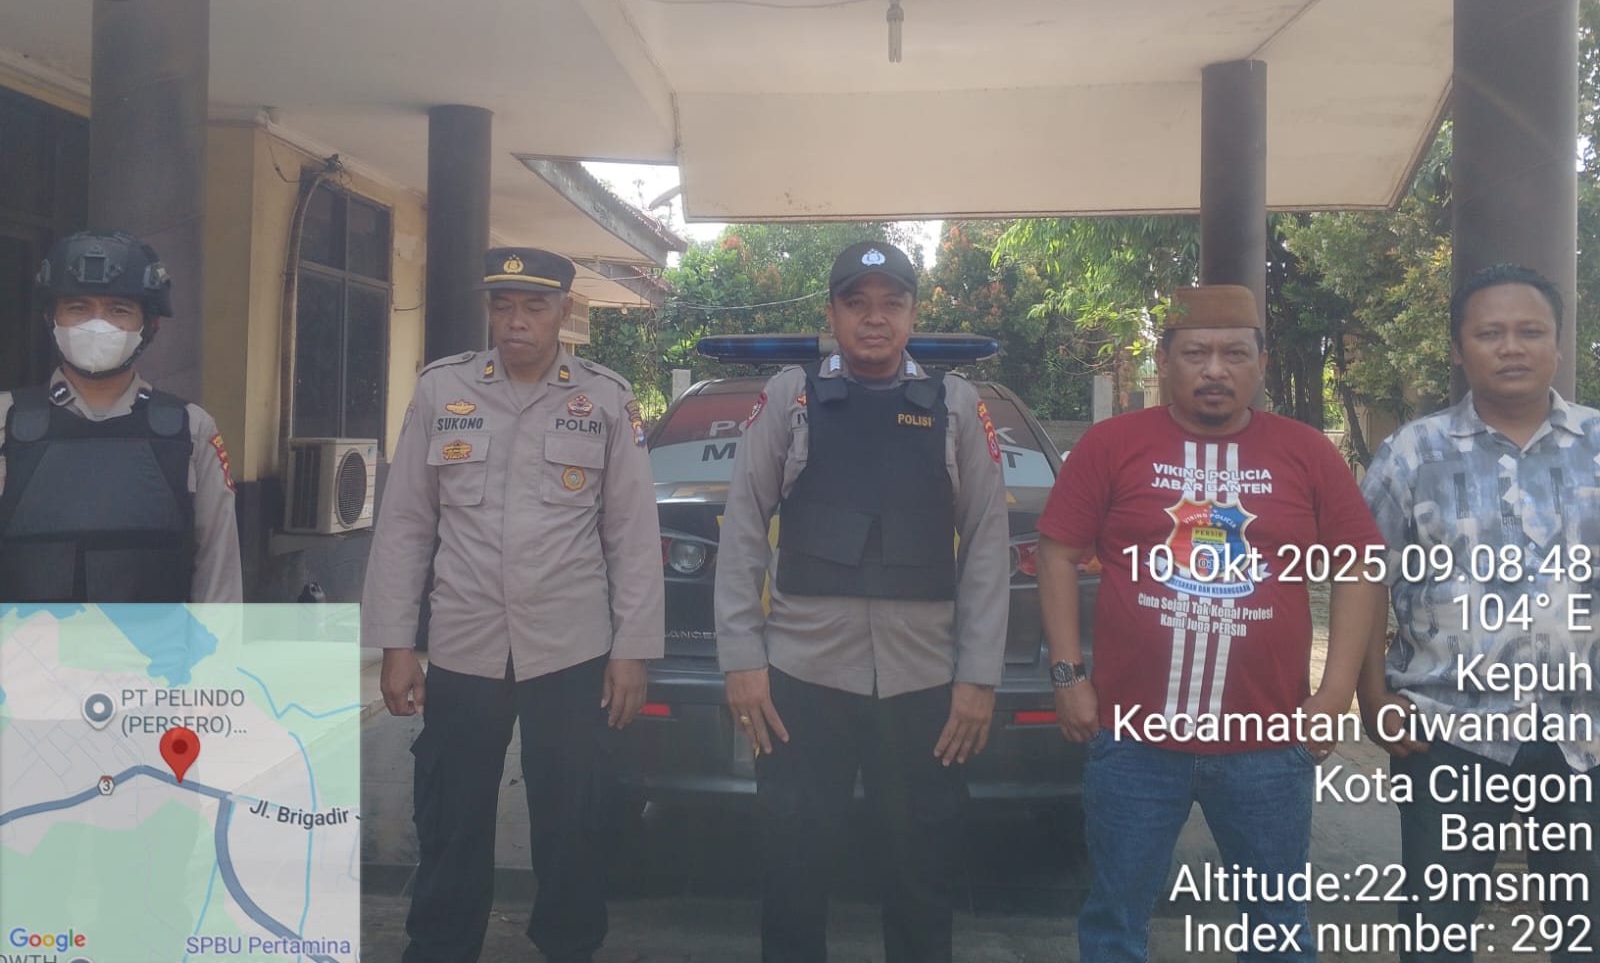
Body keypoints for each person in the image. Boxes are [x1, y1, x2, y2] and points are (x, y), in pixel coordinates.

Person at [1035, 284, 1386, 963]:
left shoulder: (1306, 452)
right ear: (1165, 360)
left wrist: (1336, 692)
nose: (1215, 370)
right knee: (1115, 919)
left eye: (1234, 353)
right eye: (1196, 353)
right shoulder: (1112, 445)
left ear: (1261, 362)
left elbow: (1359, 565)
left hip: (1268, 742)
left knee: (1277, 925)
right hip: (1133, 737)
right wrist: (1068, 674)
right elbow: (1056, 552)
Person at [361, 246, 664, 963]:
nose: (517, 321)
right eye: (504, 306)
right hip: (465, 645)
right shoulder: (443, 390)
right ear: (490, 312)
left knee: (572, 818)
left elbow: (631, 534)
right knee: (451, 816)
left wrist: (632, 651)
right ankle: (439, 948)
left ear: (564, 311)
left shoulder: (605, 399)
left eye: (534, 306)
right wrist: (396, 646)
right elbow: (405, 524)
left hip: (571, 649)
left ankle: (570, 947)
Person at [715, 239, 1010, 963]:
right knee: (792, 867)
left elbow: (986, 544)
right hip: (800, 679)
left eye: (891, 304)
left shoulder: (958, 404)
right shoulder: (790, 398)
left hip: (923, 683)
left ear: (913, 314)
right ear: (832, 314)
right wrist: (741, 661)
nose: (874, 318)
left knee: (921, 874)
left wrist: (978, 677)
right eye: (857, 303)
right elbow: (744, 528)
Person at [1358, 264, 1599, 961]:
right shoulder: (1413, 452)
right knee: (1437, 929)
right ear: (1460, 350)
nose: (1511, 347)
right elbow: (1363, 578)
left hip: (1585, 735)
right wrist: (1372, 696)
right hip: (1445, 732)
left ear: (1558, 342)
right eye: (1490, 333)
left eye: (1531, 332)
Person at [0, 229, 242, 602]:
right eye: (77, 307)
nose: (98, 325)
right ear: (51, 318)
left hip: (155, 644)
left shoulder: (191, 431)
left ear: (150, 324)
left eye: (119, 309)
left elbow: (219, 584)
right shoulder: (6, 422)